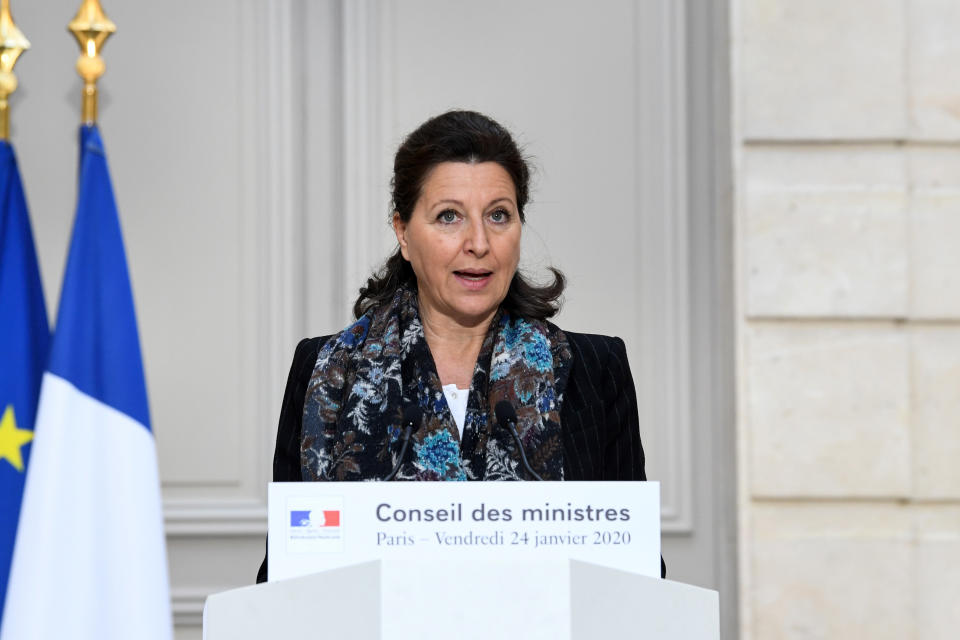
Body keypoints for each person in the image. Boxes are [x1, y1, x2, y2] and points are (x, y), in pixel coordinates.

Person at [256, 110, 662, 581]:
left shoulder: (596, 368)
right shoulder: (326, 369)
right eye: (449, 217)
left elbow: (637, 567)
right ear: (403, 232)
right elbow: (283, 574)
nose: (479, 242)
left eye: (498, 215)